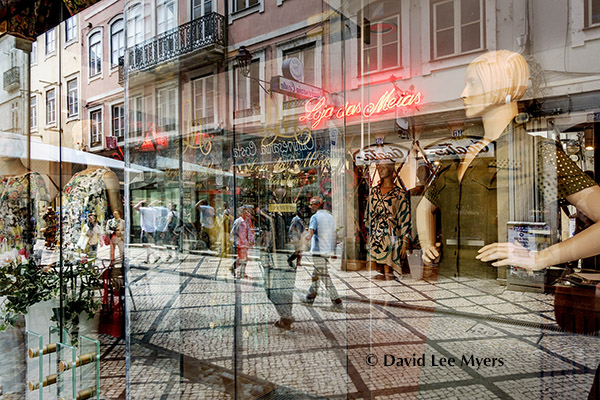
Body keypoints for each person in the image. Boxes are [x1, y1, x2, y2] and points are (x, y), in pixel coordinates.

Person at [417, 49, 600, 278]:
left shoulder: (538, 153)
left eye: (473, 84)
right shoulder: (458, 154)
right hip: (448, 290)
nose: (463, 93)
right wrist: (426, 243)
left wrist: (542, 257)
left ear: (502, 87)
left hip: (504, 295)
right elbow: (425, 206)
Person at [365, 162, 411, 280]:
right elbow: (368, 213)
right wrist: (368, 233)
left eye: (384, 167)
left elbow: (404, 218)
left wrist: (404, 243)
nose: (380, 170)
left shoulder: (399, 194)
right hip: (375, 234)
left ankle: (390, 293)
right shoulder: (373, 192)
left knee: (388, 267)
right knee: (372, 271)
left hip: (390, 234)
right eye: (378, 167)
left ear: (391, 169)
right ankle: (375, 294)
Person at [302, 197, 342, 310]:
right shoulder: (330, 217)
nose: (310, 207)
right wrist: (333, 251)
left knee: (323, 276)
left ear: (315, 205)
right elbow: (334, 235)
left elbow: (310, 234)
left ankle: (336, 300)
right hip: (327, 251)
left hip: (318, 251)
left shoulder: (314, 217)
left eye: (311, 205)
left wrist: (302, 243)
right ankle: (310, 298)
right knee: (317, 275)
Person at [230, 206, 255, 278]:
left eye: (246, 211)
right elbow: (233, 232)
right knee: (242, 258)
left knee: (244, 258)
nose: (246, 213)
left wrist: (251, 240)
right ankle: (233, 268)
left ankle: (242, 272)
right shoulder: (238, 221)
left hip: (245, 243)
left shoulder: (246, 221)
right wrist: (236, 241)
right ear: (241, 213)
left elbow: (248, 232)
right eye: (244, 211)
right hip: (240, 243)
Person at [134, 199, 160, 264]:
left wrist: (140, 202)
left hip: (145, 230)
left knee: (145, 244)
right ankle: (147, 259)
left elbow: (135, 207)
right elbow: (157, 219)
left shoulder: (144, 209)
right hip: (153, 229)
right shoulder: (154, 210)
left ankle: (156, 256)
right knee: (148, 245)